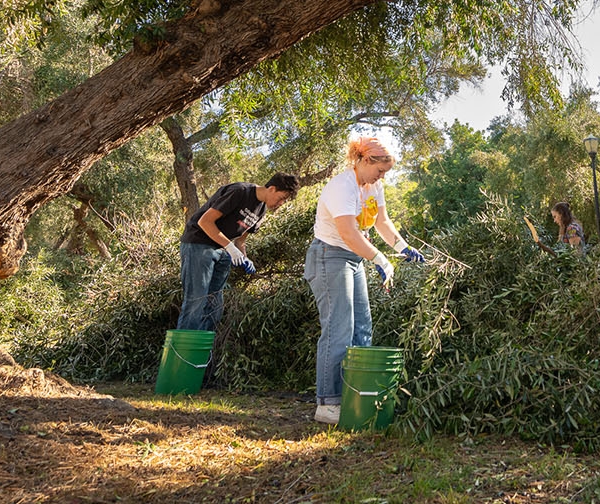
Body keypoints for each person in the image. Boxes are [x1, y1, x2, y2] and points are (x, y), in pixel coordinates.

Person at [305, 136, 425, 425]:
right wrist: (381, 260)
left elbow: (381, 222)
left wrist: (402, 248)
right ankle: (328, 403)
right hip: (329, 256)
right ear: (364, 161)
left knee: (362, 327)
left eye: (385, 173)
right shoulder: (341, 186)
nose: (382, 177)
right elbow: (348, 232)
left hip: (353, 259)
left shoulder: (373, 186)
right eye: (380, 171)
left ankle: (355, 396)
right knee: (339, 328)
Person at [177, 172, 300, 332]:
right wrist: (230, 248)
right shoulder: (240, 191)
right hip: (199, 244)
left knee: (214, 306)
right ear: (272, 189)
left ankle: (201, 352)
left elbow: (240, 241)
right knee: (196, 301)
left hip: (222, 251)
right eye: (282, 197)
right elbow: (205, 222)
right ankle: (182, 353)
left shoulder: (261, 211)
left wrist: (244, 257)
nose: (281, 203)